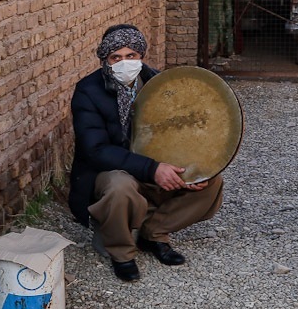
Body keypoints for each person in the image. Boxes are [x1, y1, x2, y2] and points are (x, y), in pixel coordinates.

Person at [69, 24, 225, 282]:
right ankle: (122, 252)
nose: (124, 63)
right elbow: (96, 150)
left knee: (210, 182)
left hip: (154, 161)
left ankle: (153, 232)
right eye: (116, 57)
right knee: (120, 187)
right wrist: (152, 169)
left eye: (131, 55)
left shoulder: (159, 84)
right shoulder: (88, 91)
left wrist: (191, 166)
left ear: (141, 55)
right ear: (105, 60)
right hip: (109, 169)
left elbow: (178, 130)